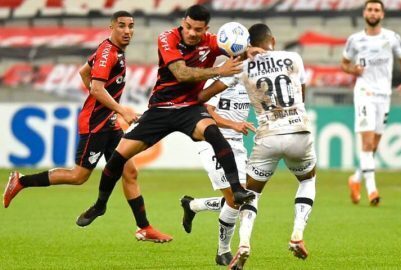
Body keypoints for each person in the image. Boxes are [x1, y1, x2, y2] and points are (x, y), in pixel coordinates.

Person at [75, 5, 258, 234]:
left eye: (197, 30)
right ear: (183, 22)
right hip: (160, 109)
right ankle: (100, 205)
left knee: (212, 132)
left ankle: (237, 189)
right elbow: (181, 73)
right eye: (188, 27)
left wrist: (249, 50)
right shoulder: (167, 38)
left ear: (206, 29)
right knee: (118, 158)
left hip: (190, 108)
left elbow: (236, 48)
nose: (191, 33)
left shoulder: (210, 41)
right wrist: (218, 71)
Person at [2, 11, 172, 243]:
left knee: (130, 171)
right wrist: (119, 109)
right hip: (96, 125)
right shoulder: (107, 53)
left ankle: (144, 227)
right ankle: (21, 181)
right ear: (110, 27)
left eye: (131, 26)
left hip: (108, 123)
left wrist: (104, 104)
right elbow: (97, 88)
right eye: (121, 26)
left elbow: (84, 73)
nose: (127, 31)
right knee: (78, 176)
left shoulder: (113, 51)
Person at [206, 23, 317, 269]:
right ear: (273, 40)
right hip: (299, 130)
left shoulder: (243, 67)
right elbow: (302, 93)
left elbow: (205, 96)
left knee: (251, 193)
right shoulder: (293, 57)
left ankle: (244, 243)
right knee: (307, 180)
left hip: (267, 135)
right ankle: (297, 233)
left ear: (246, 45)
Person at [342, 0, 401, 206]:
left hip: (384, 95)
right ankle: (372, 190)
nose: (373, 13)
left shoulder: (391, 38)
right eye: (370, 9)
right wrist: (353, 70)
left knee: (374, 146)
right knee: (367, 143)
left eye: (377, 10)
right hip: (364, 93)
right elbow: (344, 64)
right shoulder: (354, 40)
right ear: (364, 13)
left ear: (382, 14)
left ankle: (355, 179)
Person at [180, 77, 255, 266]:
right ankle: (223, 251)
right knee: (235, 199)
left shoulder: (251, 80)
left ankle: (193, 205)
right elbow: (207, 113)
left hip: (237, 145)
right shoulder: (219, 81)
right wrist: (233, 124)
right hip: (214, 143)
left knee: (240, 197)